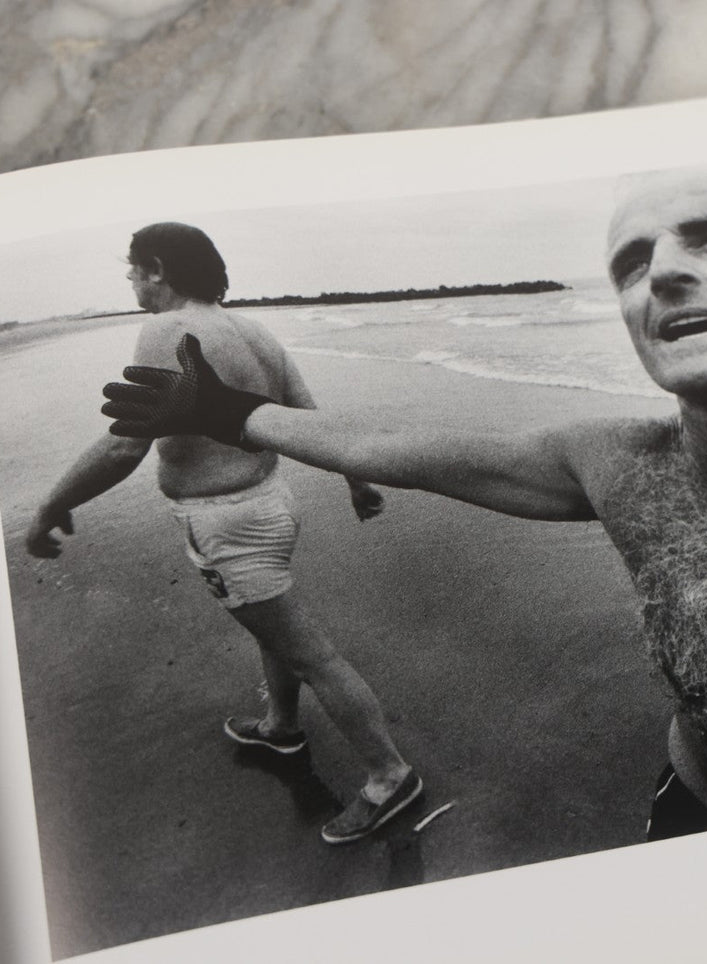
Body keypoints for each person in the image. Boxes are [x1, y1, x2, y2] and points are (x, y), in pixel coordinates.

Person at [101, 171, 707, 840]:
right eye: (633, 264)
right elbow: (392, 446)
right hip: (702, 818)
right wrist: (227, 411)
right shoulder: (619, 467)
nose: (664, 272)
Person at [25, 222, 420, 844]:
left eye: (132, 267)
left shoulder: (165, 330)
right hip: (272, 503)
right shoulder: (252, 330)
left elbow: (126, 445)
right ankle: (281, 725)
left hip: (228, 526)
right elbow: (310, 417)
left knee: (312, 654)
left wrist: (53, 503)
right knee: (273, 627)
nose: (129, 279)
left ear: (158, 268)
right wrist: (356, 479)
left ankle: (389, 775)